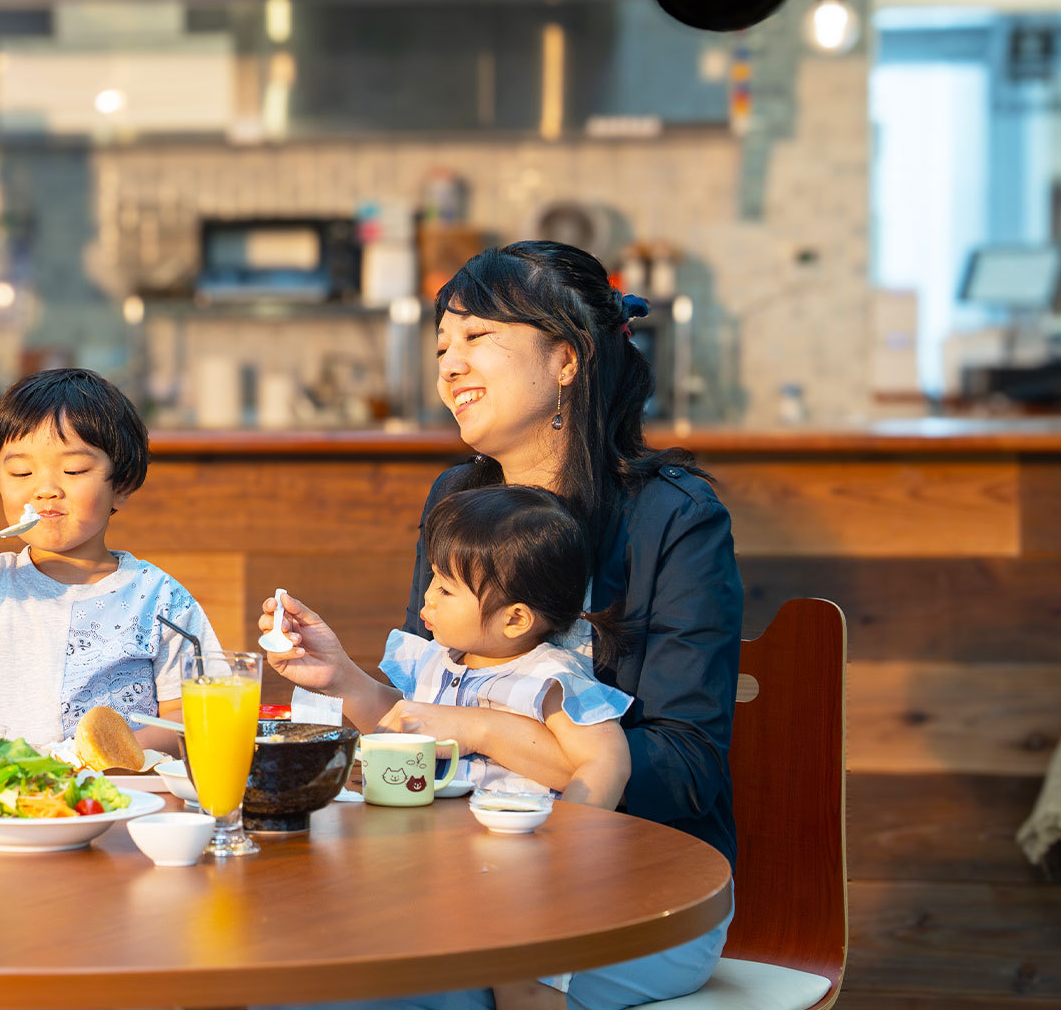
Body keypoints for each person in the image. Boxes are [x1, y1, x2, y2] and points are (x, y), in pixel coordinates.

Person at [264, 240, 742, 1010]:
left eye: (478, 337)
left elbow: (687, 765)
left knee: (393, 990)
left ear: (567, 357)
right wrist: (344, 680)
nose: (449, 365)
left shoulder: (672, 517)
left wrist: (489, 735)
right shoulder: (459, 498)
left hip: (636, 893)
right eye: (443, 345)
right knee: (288, 957)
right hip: (463, 873)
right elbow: (426, 699)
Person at [0, 368, 219, 753]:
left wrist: (110, 753)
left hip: (121, 796)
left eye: (73, 470)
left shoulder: (160, 598)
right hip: (4, 799)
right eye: (21, 471)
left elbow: (191, 714)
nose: (45, 489)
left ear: (122, 485)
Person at [358, 484, 633, 807]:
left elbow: (607, 762)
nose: (429, 596)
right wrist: (337, 677)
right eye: (433, 578)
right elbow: (399, 723)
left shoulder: (550, 679)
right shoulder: (434, 659)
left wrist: (568, 842)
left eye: (446, 590)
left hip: (519, 847)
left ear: (515, 620)